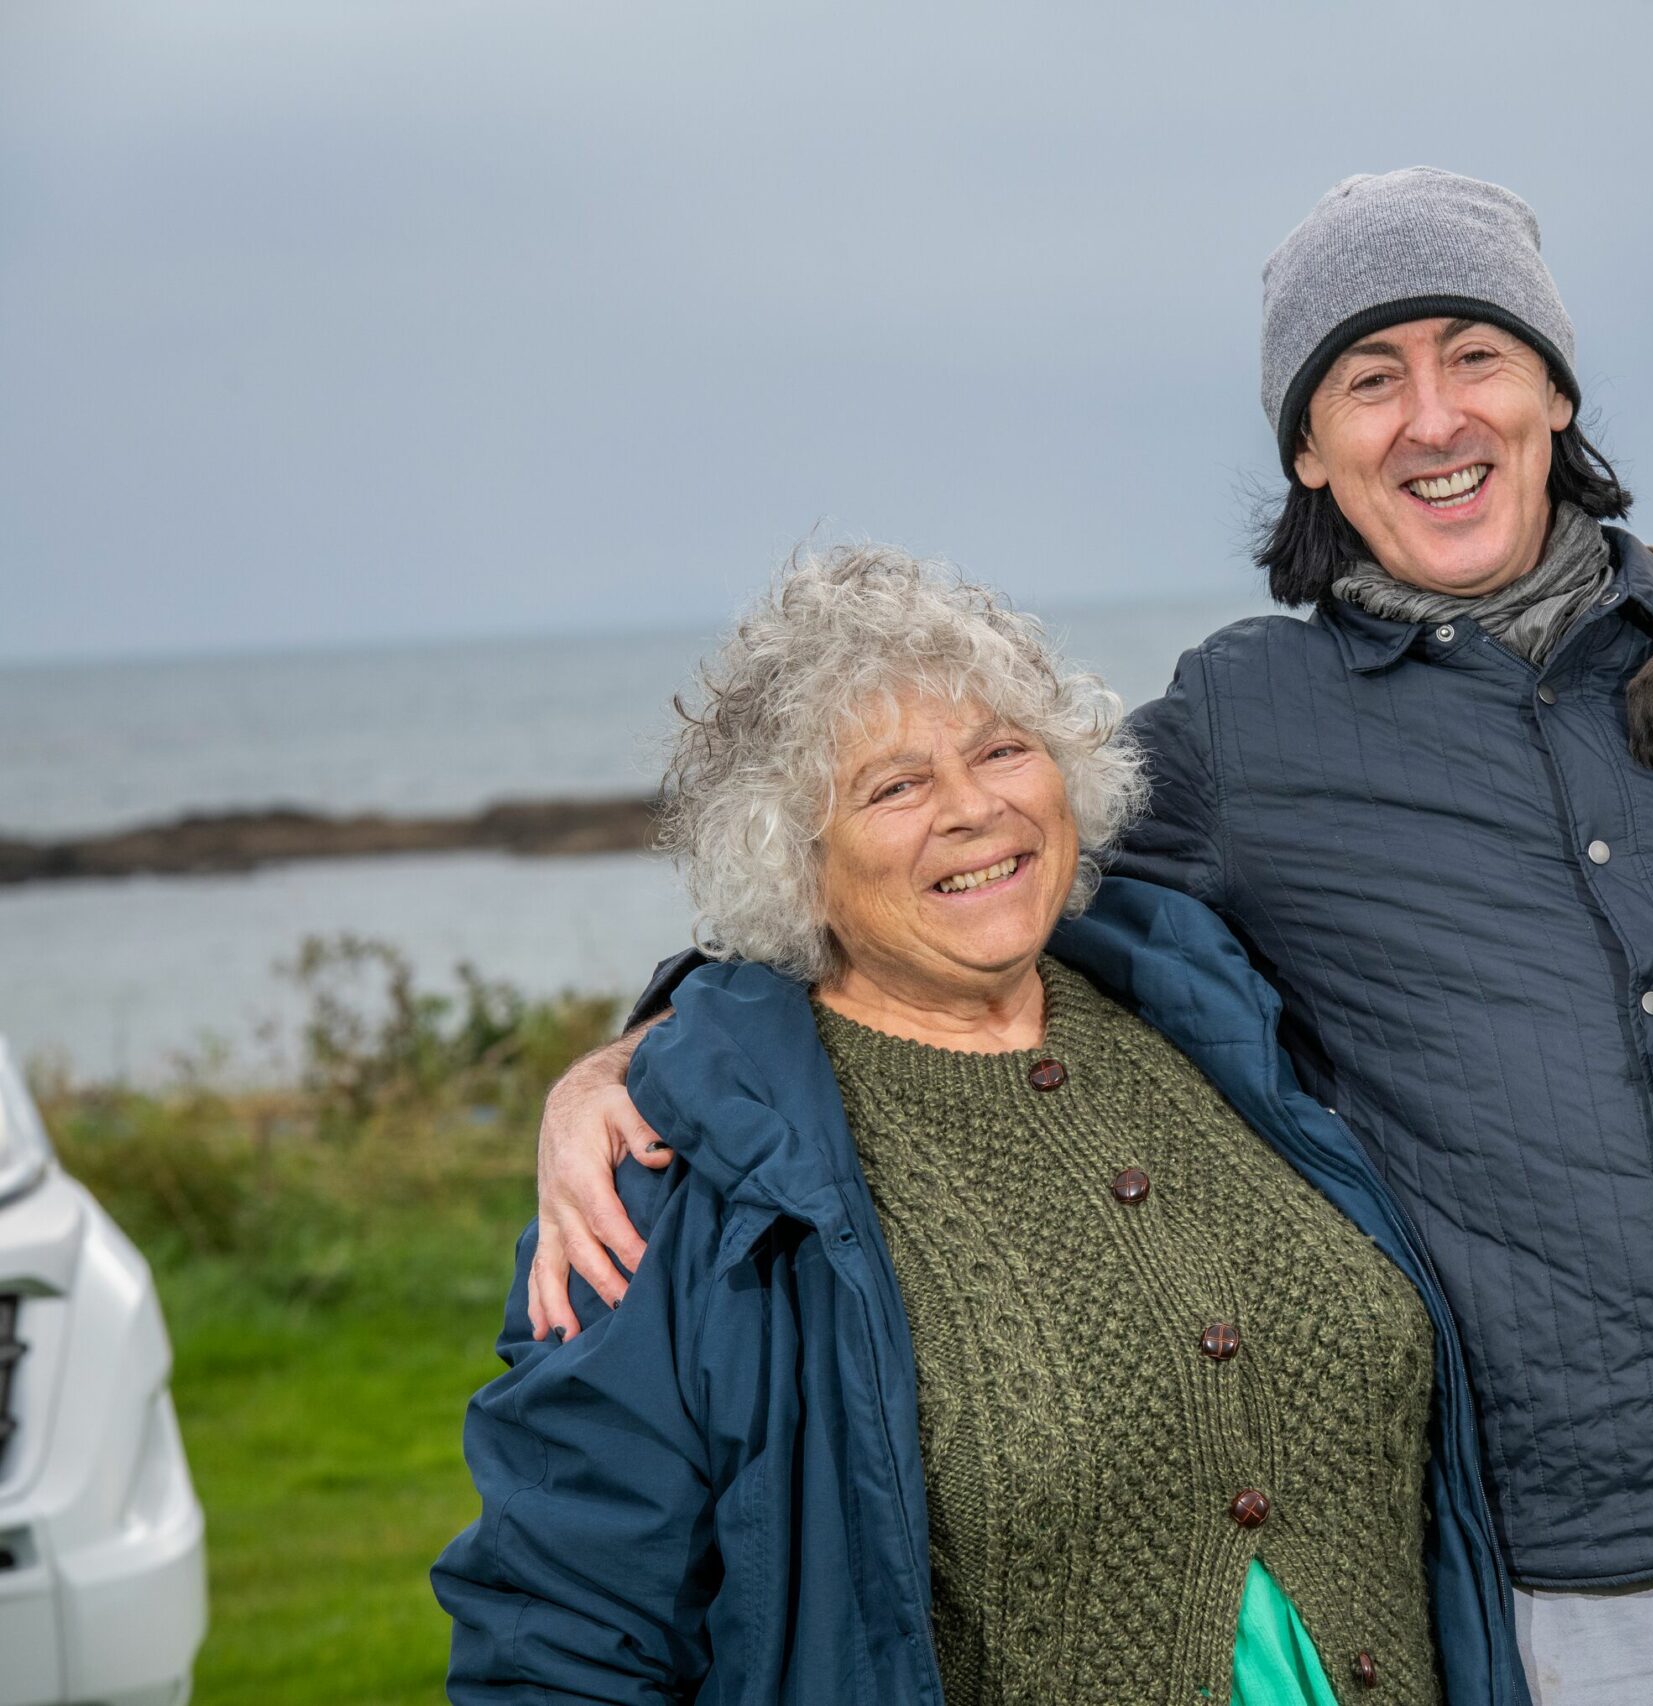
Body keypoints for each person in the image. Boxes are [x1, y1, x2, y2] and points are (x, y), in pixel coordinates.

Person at [533, 171, 1653, 1703]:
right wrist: (653, 1042)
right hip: (1583, 1607)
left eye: (1476, 356)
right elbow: (953, 883)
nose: (1434, 416)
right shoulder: (1245, 736)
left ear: (1554, 396)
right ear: (1310, 454)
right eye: (1367, 382)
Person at [433, 548, 1529, 1706]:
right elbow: (562, 1622)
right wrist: (605, 1073)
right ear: (795, 864)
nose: (972, 807)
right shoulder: (679, 1177)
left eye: (1004, 748)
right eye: (893, 786)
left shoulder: (1221, 1010)